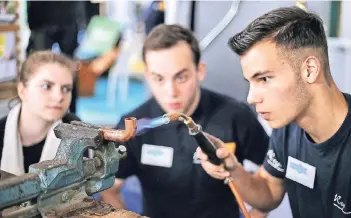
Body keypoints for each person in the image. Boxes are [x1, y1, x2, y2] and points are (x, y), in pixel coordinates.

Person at [100, 24, 270, 218]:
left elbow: (272, 182)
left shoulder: (236, 116)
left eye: (181, 77)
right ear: (147, 76)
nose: (170, 92)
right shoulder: (133, 126)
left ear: (200, 71)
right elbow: (109, 188)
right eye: (159, 79)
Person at [197, 6, 351, 218]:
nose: (251, 98)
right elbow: (269, 191)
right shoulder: (288, 127)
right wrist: (234, 169)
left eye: (264, 79)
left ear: (309, 70)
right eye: (250, 82)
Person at [0, 51, 80, 176]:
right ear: (22, 90)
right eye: (46, 86)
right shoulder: (1, 132)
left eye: (66, 89)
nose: (59, 97)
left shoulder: (76, 132)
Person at [26, 1, 87, 113]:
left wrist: (81, 22)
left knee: (70, 69)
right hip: (42, 17)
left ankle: (72, 111)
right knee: (39, 67)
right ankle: (37, 107)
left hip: (67, 16)